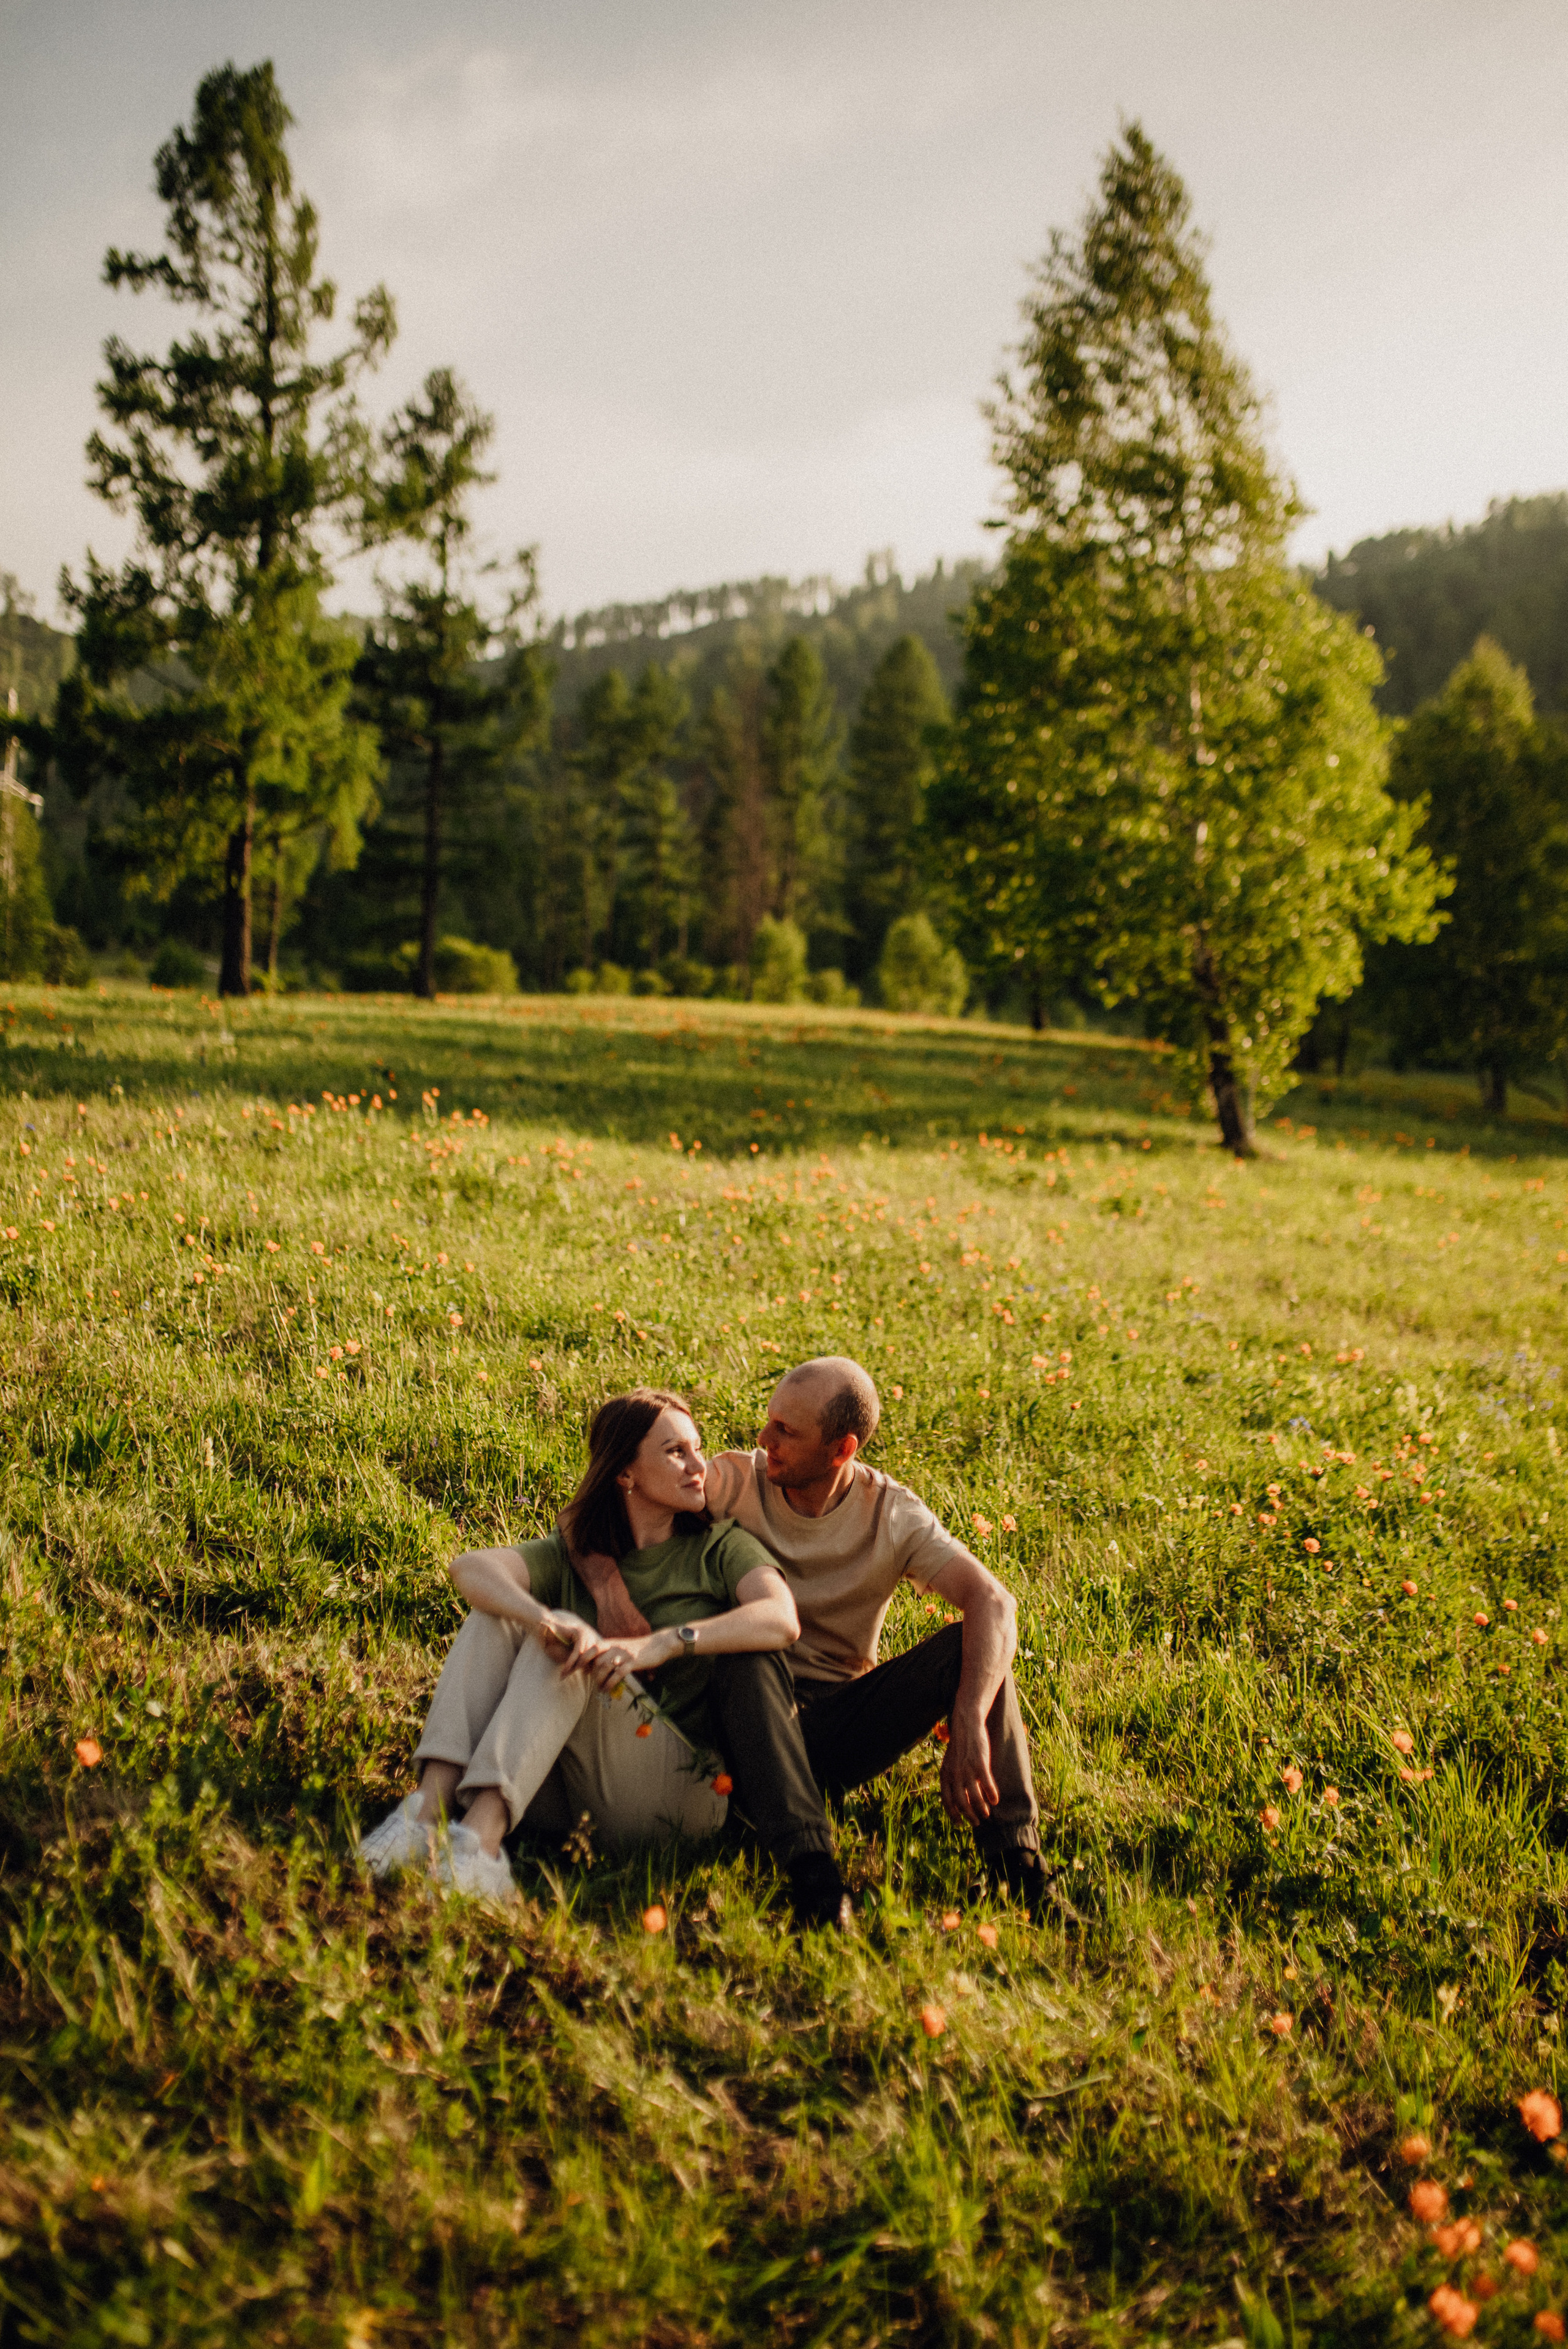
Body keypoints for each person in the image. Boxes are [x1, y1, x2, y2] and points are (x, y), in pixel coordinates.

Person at [571, 1356, 1044, 1930]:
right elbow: (586, 1514)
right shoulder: (732, 1481)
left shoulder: (891, 1514)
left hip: (835, 1727)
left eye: (786, 1432)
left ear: (842, 1450)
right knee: (749, 1651)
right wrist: (610, 1592)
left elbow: (993, 1601)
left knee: (969, 1649)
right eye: (770, 1421)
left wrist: (967, 1718)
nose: (763, 1438)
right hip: (738, 1720)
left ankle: (1020, 1869)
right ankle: (816, 1883)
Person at [358, 1388, 799, 1897]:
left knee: (570, 1644)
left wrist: (666, 1643)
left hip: (675, 1795)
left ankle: (478, 1847)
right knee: (506, 1615)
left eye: (697, 1448)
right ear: (624, 1473)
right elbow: (471, 1568)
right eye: (676, 1452)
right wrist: (542, 1619)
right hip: (571, 1789)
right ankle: (427, 1815)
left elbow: (780, 1618)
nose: (699, 1465)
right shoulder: (580, 1553)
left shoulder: (721, 1546)